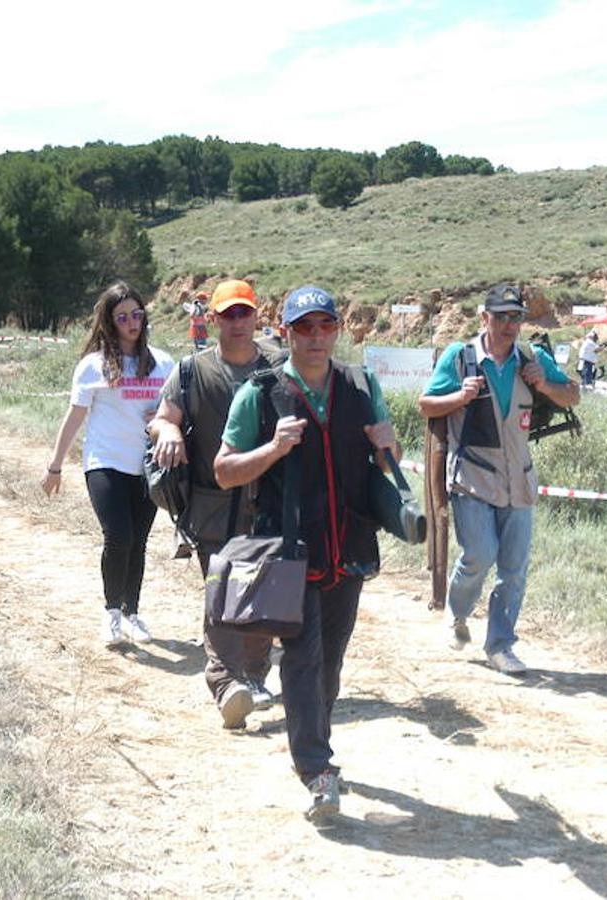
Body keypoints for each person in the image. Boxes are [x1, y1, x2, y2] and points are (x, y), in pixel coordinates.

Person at [216, 285, 398, 822]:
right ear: (286, 331)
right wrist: (272, 449)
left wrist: (390, 445)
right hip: (290, 553)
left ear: (338, 330)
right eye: (304, 328)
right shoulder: (261, 393)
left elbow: (388, 464)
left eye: (325, 326)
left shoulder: (362, 385)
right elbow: (224, 471)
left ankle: (312, 736)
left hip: (351, 548)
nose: (316, 337)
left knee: (331, 659)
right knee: (303, 656)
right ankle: (317, 769)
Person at [418, 283, 580, 675]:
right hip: (471, 476)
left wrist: (545, 383)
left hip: (519, 478)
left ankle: (501, 645)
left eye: (516, 317)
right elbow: (426, 404)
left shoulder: (532, 357)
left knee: (514, 567)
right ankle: (457, 614)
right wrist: (459, 397)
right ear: (484, 317)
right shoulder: (460, 358)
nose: (509, 325)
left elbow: (572, 395)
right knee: (479, 555)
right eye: (502, 316)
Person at [148, 279, 283, 730]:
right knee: (223, 593)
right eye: (229, 314)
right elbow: (163, 418)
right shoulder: (191, 370)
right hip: (214, 503)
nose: (238, 322)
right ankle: (226, 684)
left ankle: (256, 675)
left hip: (273, 501)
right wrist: (166, 432)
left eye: (245, 313)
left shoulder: (280, 367)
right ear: (213, 319)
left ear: (257, 316)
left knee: (267, 593)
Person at [41, 281, 174, 644]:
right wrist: (55, 466)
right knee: (119, 536)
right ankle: (111, 612)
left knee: (139, 542)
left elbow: (178, 411)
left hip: (148, 465)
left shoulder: (164, 363)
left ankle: (132, 613)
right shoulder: (93, 365)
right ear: (110, 321)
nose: (132, 321)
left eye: (136, 313)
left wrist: (162, 416)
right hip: (105, 462)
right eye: (122, 316)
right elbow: (75, 416)